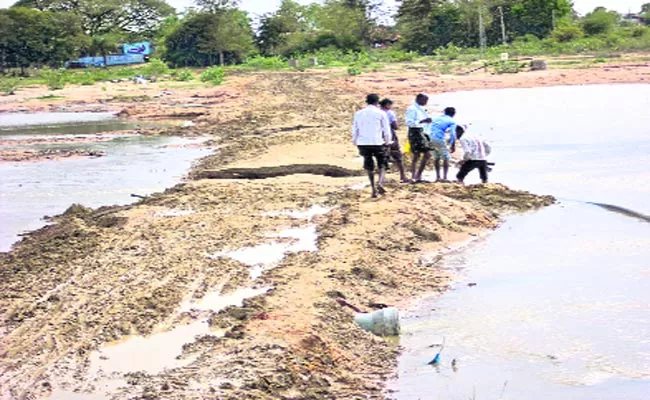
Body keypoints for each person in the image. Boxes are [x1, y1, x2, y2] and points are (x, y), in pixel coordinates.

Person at [352, 93, 392, 198]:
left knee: (368, 164)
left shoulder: (358, 113)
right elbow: (386, 130)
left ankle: (373, 189)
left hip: (363, 143)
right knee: (382, 164)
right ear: (377, 102)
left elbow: (355, 129)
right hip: (377, 142)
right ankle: (380, 182)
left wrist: (355, 141)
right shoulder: (381, 113)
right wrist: (388, 142)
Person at [379, 98, 408, 183]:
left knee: (382, 157)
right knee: (397, 155)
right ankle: (403, 176)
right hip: (390, 134)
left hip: (379, 135)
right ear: (387, 105)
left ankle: (381, 178)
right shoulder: (390, 113)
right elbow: (395, 126)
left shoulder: (378, 112)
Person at [405, 94, 432, 182]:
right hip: (415, 132)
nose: (426, 102)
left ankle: (416, 176)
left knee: (418, 154)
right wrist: (423, 121)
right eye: (425, 100)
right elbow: (409, 122)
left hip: (422, 131)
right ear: (419, 99)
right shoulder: (412, 109)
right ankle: (416, 175)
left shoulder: (421, 109)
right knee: (424, 154)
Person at [429, 107, 458, 182]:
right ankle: (445, 177)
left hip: (430, 138)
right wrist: (452, 144)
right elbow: (453, 134)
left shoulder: (437, 118)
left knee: (436, 157)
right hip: (439, 138)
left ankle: (438, 177)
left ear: (445, 112)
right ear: (453, 114)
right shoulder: (451, 121)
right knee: (446, 158)